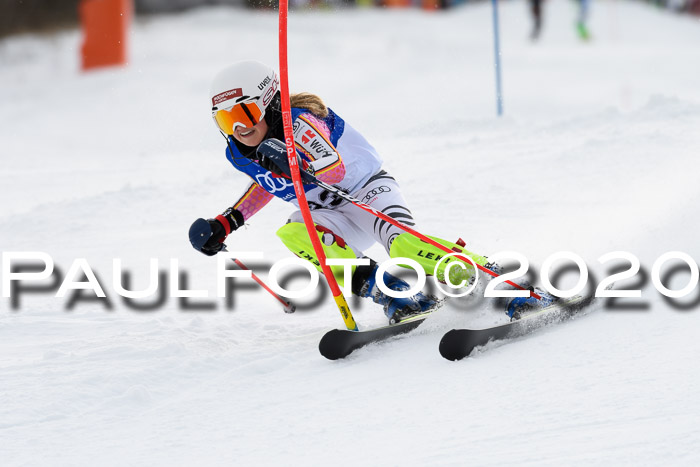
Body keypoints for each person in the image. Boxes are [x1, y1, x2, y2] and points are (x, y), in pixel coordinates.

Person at [189, 60, 551, 323]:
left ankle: (507, 285)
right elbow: (265, 182)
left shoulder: (299, 123)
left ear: (269, 102)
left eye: (246, 113)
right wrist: (227, 221)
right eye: (225, 120)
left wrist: (297, 163)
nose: (238, 128)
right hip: (328, 212)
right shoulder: (239, 150)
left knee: (405, 246)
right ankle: (394, 292)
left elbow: (335, 169)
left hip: (366, 191)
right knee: (295, 232)